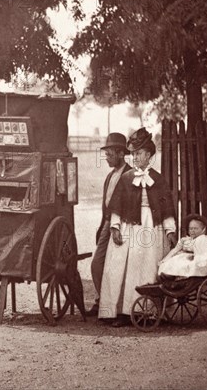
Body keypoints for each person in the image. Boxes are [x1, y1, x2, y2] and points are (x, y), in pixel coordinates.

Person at [98, 128, 177, 326]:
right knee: (119, 266)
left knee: (146, 267)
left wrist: (170, 230)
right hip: (129, 226)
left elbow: (167, 207)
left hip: (151, 227)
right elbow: (116, 205)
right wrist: (115, 227)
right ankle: (121, 312)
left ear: (149, 155)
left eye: (139, 154)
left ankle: (148, 311)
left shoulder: (158, 180)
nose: (135, 158)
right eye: (133, 154)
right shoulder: (126, 178)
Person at [87, 133, 131, 316]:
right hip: (107, 222)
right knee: (97, 264)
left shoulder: (129, 175)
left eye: (110, 154)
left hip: (120, 224)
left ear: (121, 154)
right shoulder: (110, 176)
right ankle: (101, 301)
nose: (106, 158)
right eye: (106, 155)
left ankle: (114, 307)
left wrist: (117, 226)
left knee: (115, 266)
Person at [158, 214, 207, 279]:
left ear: (203, 230)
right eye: (190, 229)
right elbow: (175, 250)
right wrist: (165, 259)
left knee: (184, 263)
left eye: (195, 229)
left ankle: (180, 277)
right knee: (174, 260)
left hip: (201, 260)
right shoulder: (186, 240)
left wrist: (193, 257)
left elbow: (203, 254)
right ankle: (170, 275)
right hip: (192, 258)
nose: (192, 231)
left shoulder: (202, 239)